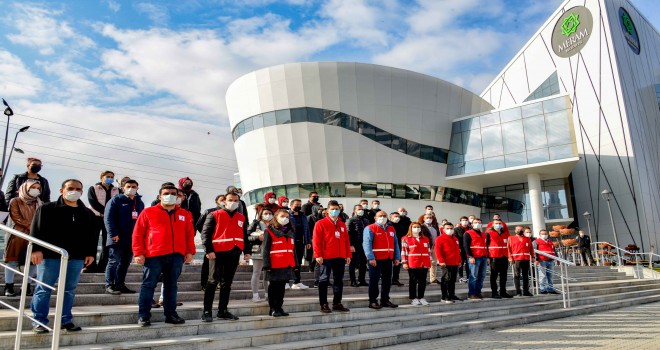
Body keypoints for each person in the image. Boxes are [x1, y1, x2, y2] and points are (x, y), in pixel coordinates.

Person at [29, 179, 98, 333]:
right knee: (43, 288)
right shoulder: (47, 209)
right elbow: (36, 229)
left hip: (76, 257)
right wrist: (36, 250)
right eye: (70, 188)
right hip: (50, 256)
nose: (74, 191)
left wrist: (90, 253)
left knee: (69, 289)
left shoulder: (86, 213)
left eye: (78, 189)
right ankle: (39, 321)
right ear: (62, 190)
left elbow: (91, 235)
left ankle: (65, 319)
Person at [132, 185, 196, 327]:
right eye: (166, 193)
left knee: (171, 286)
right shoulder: (148, 212)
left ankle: (171, 315)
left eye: (173, 193)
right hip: (154, 254)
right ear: (160, 196)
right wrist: (138, 252)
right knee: (148, 285)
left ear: (178, 196)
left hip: (176, 256)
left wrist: (190, 251)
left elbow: (189, 234)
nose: (170, 195)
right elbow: (138, 233)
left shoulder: (184, 214)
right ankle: (143, 316)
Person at [200, 192, 251, 322]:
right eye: (230, 200)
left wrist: (247, 250)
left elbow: (244, 235)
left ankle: (223, 311)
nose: (233, 202)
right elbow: (205, 234)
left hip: (234, 252)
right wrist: (208, 250)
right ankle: (207, 311)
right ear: (224, 201)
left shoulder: (241, 217)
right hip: (217, 253)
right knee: (212, 282)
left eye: (235, 200)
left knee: (227, 283)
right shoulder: (214, 215)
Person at [104, 179, 144, 295]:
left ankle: (120, 284)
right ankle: (109, 285)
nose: (131, 188)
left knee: (125, 263)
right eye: (129, 186)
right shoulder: (115, 200)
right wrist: (113, 234)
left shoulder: (139, 202)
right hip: (117, 238)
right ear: (123, 188)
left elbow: (142, 221)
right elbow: (108, 219)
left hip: (131, 239)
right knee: (113, 261)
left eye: (134, 186)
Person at [3, 180, 42, 297]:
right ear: (25, 188)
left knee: (32, 262)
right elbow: (16, 217)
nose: (36, 190)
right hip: (17, 235)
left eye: (38, 188)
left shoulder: (39, 203)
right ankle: (8, 286)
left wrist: (36, 230)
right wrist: (31, 227)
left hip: (34, 236)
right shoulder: (15, 201)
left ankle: (26, 286)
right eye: (32, 187)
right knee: (12, 261)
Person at [313, 200, 351, 313]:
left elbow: (346, 241)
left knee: (338, 280)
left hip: (340, 256)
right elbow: (316, 240)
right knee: (324, 279)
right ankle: (324, 304)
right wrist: (318, 255)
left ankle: (337, 303)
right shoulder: (320, 223)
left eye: (337, 209)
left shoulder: (342, 224)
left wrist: (348, 254)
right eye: (332, 209)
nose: (335, 211)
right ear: (327, 211)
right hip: (326, 256)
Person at [263, 209, 298, 317]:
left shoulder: (290, 231)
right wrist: (266, 264)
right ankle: (273, 308)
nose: (285, 219)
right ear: (276, 217)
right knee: (273, 287)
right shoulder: (269, 231)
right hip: (274, 264)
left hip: (287, 263)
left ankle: (279, 307)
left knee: (282, 287)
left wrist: (296, 264)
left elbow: (293, 249)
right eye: (282, 216)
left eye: (287, 217)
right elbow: (265, 249)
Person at [363, 210, 400, 309]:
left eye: (384, 215)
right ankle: (373, 301)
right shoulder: (370, 228)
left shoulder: (391, 229)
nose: (382, 217)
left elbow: (395, 244)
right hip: (375, 259)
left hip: (388, 259)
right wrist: (370, 257)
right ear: (375, 218)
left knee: (387, 280)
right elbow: (367, 244)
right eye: (380, 216)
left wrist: (397, 257)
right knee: (374, 280)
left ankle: (385, 300)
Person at [87, 170, 119, 273]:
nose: (109, 178)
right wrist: (106, 212)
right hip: (95, 217)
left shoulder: (116, 190)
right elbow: (92, 202)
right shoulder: (93, 188)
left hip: (110, 220)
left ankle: (102, 266)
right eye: (107, 176)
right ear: (102, 177)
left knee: (107, 243)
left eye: (111, 176)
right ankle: (90, 266)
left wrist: (110, 214)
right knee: (92, 241)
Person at [196, 194, 225, 290]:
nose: (224, 202)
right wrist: (207, 235)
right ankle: (204, 284)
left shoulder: (228, 213)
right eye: (222, 200)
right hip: (211, 242)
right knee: (207, 264)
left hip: (222, 242)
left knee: (222, 264)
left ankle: (220, 283)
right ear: (216, 201)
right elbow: (199, 224)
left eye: (225, 200)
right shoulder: (209, 211)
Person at [401, 222, 431, 306]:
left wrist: (429, 261)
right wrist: (404, 262)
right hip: (413, 262)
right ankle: (413, 298)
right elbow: (404, 251)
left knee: (422, 282)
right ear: (411, 228)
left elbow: (428, 251)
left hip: (424, 263)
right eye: (414, 227)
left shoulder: (425, 239)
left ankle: (421, 297)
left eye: (418, 227)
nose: (417, 228)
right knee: (413, 281)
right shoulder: (405, 238)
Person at [247, 208, 272, 302]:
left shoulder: (274, 224)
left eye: (270, 213)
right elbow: (247, 236)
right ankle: (255, 295)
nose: (268, 215)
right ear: (261, 214)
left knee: (268, 273)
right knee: (256, 272)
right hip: (258, 251)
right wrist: (257, 238)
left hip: (270, 251)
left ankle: (268, 294)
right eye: (266, 213)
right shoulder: (255, 224)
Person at [435, 222, 462, 303]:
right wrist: (441, 260)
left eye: (451, 228)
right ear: (443, 229)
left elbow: (458, 251)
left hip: (455, 262)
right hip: (446, 262)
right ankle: (444, 296)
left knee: (452, 280)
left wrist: (459, 261)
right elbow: (437, 250)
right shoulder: (440, 238)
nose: (449, 230)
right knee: (446, 279)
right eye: (447, 228)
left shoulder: (455, 239)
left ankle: (451, 295)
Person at [487, 219, 512, 299]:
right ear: (493, 225)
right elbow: (486, 246)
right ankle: (494, 293)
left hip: (504, 257)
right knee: (494, 276)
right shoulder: (489, 233)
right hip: (494, 257)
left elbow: (509, 245)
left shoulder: (506, 233)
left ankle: (503, 292)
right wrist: (487, 257)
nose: (498, 224)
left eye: (500, 223)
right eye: (496, 223)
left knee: (504, 276)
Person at [288, 199, 310, 289]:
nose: (298, 206)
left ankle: (297, 282)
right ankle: (286, 281)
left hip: (300, 242)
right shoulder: (288, 215)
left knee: (298, 262)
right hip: (290, 242)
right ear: (291, 205)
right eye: (296, 204)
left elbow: (307, 229)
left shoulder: (303, 216)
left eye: (300, 204)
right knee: (289, 262)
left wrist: (308, 241)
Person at [464, 218, 488, 300]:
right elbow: (466, 246)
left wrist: (487, 256)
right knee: (473, 276)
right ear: (472, 224)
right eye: (476, 222)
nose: (477, 223)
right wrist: (470, 256)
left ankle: (478, 292)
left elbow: (486, 246)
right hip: (474, 257)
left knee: (482, 276)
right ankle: (472, 294)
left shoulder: (484, 234)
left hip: (483, 257)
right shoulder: (468, 233)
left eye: (479, 222)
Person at [507, 226, 534, 297]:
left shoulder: (527, 239)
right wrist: (510, 257)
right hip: (516, 259)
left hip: (526, 259)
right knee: (517, 275)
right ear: (515, 230)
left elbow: (531, 248)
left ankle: (526, 291)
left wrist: (533, 256)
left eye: (521, 229)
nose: (520, 230)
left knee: (526, 276)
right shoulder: (511, 238)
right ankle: (518, 291)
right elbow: (508, 249)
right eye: (518, 229)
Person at [347, 204, 369, 287]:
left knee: (363, 263)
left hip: (364, 245)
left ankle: (362, 280)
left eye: (362, 209)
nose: (361, 210)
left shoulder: (366, 221)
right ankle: (353, 281)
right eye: (359, 209)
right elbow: (348, 233)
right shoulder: (351, 220)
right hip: (355, 245)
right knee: (353, 263)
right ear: (354, 210)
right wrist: (350, 245)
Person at [534, 230, 560, 295]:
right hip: (542, 261)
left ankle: (550, 289)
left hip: (550, 260)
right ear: (540, 235)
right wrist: (536, 259)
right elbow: (534, 251)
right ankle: (543, 289)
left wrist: (557, 259)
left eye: (546, 234)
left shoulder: (550, 242)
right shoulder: (536, 242)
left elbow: (554, 251)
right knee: (542, 276)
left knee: (550, 276)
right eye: (543, 234)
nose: (544, 235)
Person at [392, 208, 412, 286]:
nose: (397, 218)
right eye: (395, 216)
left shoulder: (402, 225)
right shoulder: (388, 225)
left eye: (398, 216)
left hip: (399, 246)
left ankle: (395, 279)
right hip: (390, 246)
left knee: (397, 263)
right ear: (391, 218)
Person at [307, 206, 325, 287]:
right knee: (317, 262)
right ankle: (316, 281)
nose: (320, 211)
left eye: (322, 210)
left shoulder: (323, 219)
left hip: (325, 244)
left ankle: (324, 280)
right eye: (319, 209)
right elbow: (308, 229)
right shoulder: (310, 218)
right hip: (315, 241)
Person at [420, 213, 440, 284]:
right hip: (425, 247)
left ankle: (433, 278)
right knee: (424, 263)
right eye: (427, 218)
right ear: (424, 219)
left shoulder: (435, 227)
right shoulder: (421, 226)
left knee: (434, 263)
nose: (429, 219)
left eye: (430, 218)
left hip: (434, 247)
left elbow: (438, 236)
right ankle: (422, 279)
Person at [454, 216, 470, 283]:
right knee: (461, 263)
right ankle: (461, 277)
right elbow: (455, 239)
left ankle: (469, 277)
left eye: (466, 220)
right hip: (461, 249)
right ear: (460, 221)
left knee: (468, 264)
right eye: (463, 220)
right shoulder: (457, 229)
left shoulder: (470, 228)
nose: (464, 221)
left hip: (469, 248)